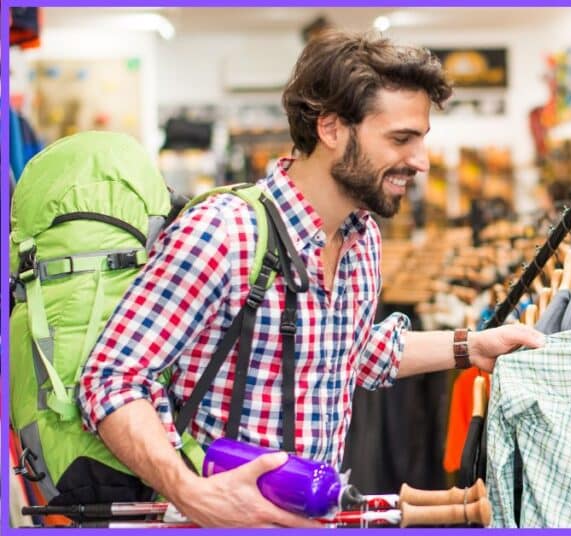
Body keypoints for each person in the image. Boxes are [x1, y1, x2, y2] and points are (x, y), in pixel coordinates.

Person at [77, 30, 544, 528]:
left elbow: (355, 353)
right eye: (401, 139)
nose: (421, 162)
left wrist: (472, 346)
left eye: (421, 139)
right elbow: (109, 380)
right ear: (331, 129)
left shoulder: (361, 237)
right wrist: (193, 494)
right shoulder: (223, 232)